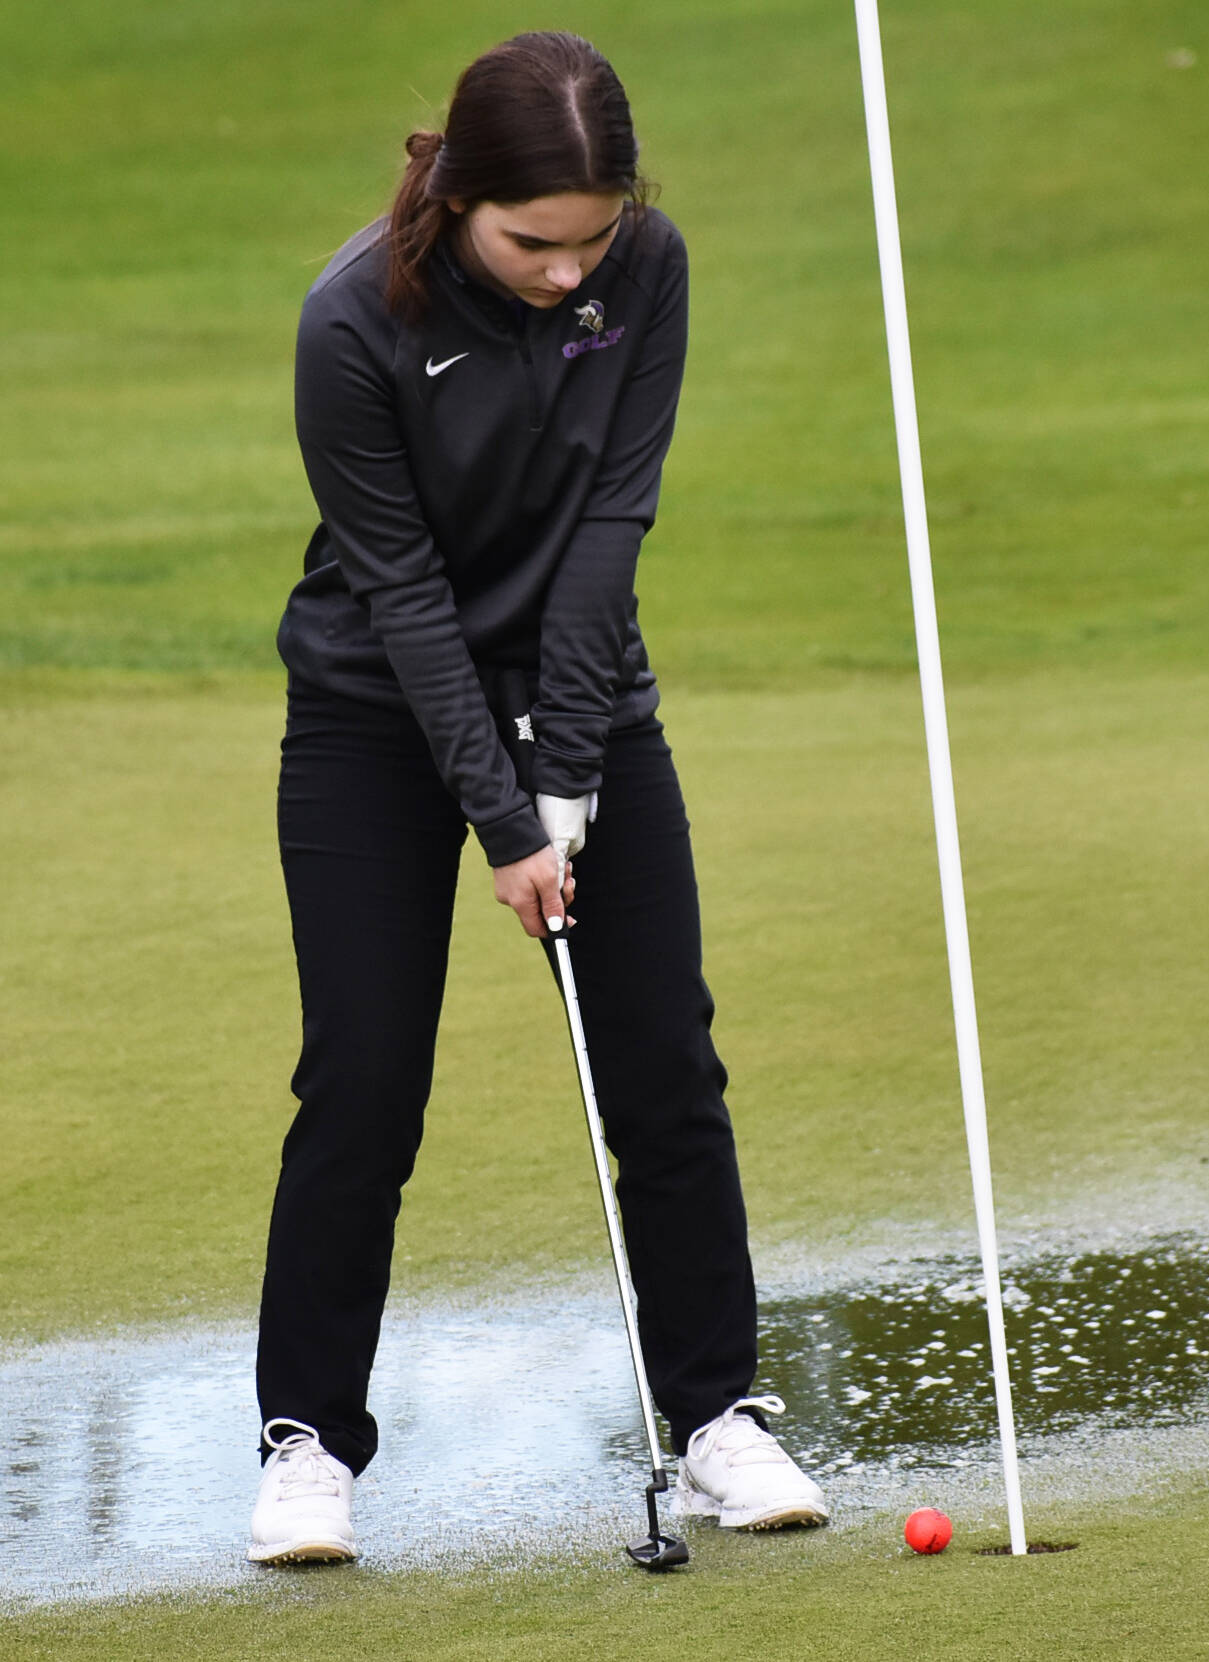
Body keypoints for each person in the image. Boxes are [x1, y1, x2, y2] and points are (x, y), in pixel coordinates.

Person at [248, 29, 827, 1565]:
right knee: (362, 1080)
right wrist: (506, 822)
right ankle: (307, 1441)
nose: (570, 272)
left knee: (665, 1069)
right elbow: (404, 592)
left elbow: (609, 523)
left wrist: (566, 769)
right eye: (532, 243)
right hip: (377, 708)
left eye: (594, 237)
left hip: (586, 696)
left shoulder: (647, 267)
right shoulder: (349, 320)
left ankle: (716, 1417)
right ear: (453, 200)